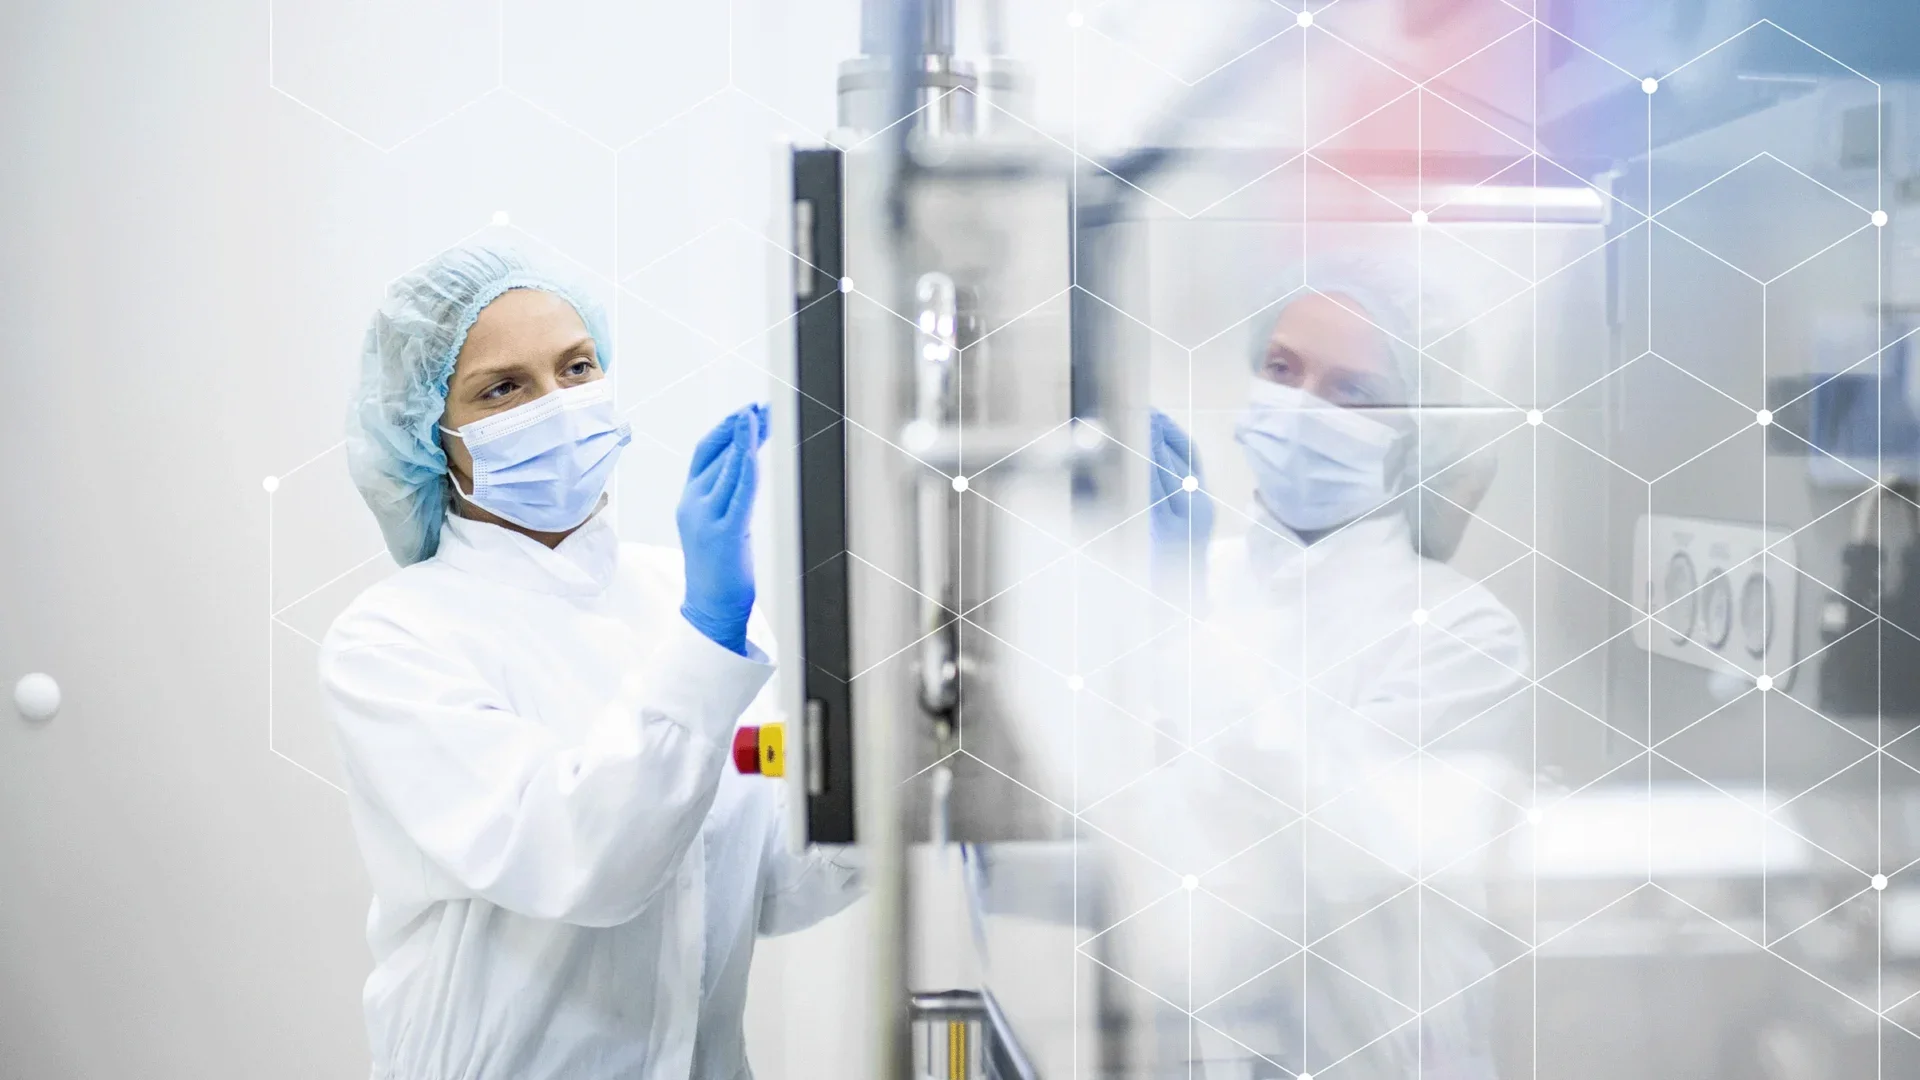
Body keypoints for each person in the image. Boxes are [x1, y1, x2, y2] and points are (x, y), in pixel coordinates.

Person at [320, 244, 860, 1080]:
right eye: (504, 389)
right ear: (432, 434)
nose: (559, 407)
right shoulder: (394, 643)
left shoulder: (684, 593)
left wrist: (913, 767)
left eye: (577, 367)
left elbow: (767, 886)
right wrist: (709, 636)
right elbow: (589, 863)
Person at [1140, 257, 1529, 1078]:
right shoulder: (1197, 580)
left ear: (1419, 433)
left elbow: (1329, 848)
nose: (1298, 409)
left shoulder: (1463, 634)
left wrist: (1180, 626)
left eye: (1351, 392)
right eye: (1281, 370)